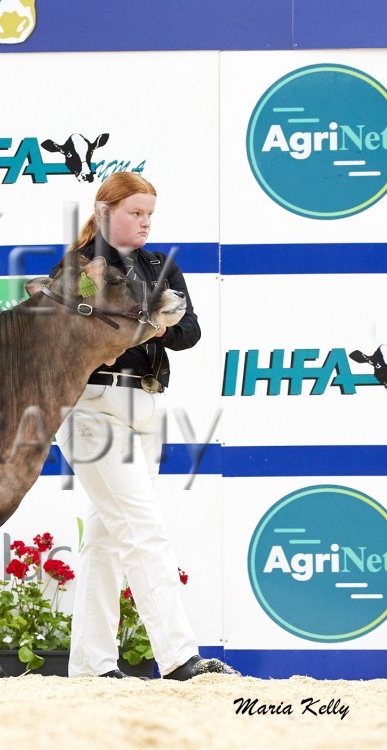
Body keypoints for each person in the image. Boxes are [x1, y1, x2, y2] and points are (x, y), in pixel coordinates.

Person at [53, 171, 233, 680]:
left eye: (150, 213)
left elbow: (189, 331)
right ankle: (178, 657)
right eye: (135, 212)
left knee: (107, 538)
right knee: (143, 529)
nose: (146, 222)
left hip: (147, 405)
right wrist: (153, 320)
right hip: (90, 406)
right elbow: (81, 332)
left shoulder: (161, 266)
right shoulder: (78, 266)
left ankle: (91, 664)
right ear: (105, 212)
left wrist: (136, 323)